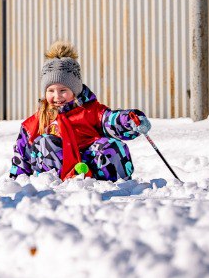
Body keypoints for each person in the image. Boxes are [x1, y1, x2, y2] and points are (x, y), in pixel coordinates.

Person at [10, 41, 150, 181]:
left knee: (111, 146)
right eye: (51, 91)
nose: (57, 96)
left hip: (91, 169)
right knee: (44, 142)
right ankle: (55, 183)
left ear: (75, 90)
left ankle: (114, 185)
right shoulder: (38, 121)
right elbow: (22, 154)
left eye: (63, 90)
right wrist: (16, 180)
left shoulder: (90, 110)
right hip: (59, 176)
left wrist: (130, 120)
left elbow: (111, 120)